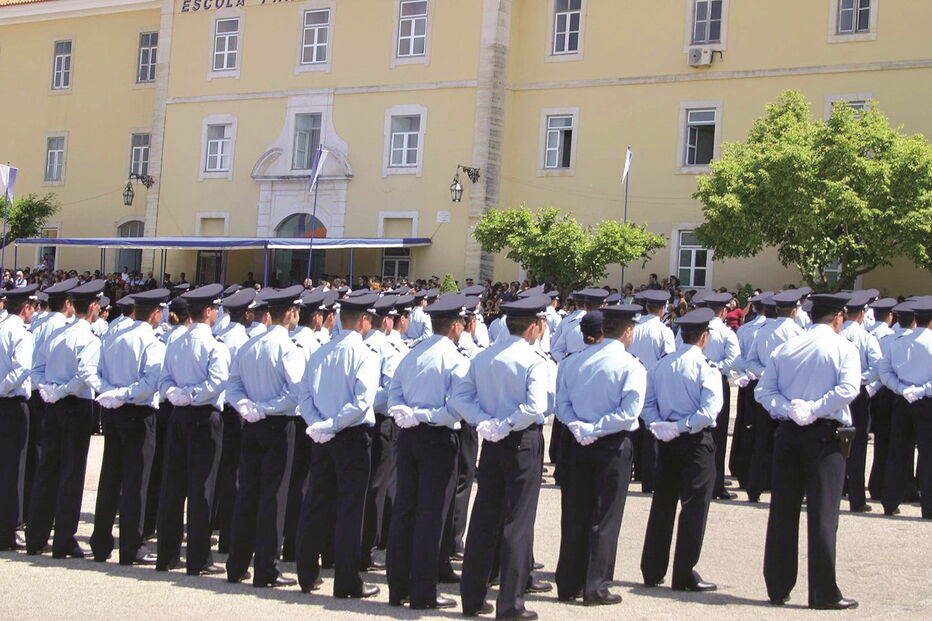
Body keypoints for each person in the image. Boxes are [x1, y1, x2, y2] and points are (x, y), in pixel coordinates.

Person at [755, 293, 861, 610]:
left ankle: (778, 586)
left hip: (789, 431)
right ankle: (823, 592)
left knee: (783, 511)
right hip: (825, 435)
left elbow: (763, 391)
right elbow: (848, 389)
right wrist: (815, 409)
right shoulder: (844, 348)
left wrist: (790, 408)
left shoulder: (786, 347)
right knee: (824, 515)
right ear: (839, 317)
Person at [452, 294, 552, 620]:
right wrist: (506, 423)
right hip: (520, 439)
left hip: (493, 440)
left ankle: (472, 597)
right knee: (517, 523)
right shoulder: (534, 360)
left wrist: (484, 421)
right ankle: (510, 603)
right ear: (535, 327)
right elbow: (537, 407)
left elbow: (459, 397)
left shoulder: (484, 357)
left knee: (484, 519)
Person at [554, 304, 645, 605]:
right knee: (605, 517)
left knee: (575, 512)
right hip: (612, 445)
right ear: (627, 331)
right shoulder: (631, 365)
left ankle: (568, 583)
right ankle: (596, 586)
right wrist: (596, 427)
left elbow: (562, 405)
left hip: (579, 441)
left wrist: (580, 426)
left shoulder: (572, 362)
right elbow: (630, 412)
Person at [385, 294, 470, 610]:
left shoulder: (411, 353)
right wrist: (426, 414)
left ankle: (399, 588)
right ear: (456, 326)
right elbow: (456, 408)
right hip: (437, 439)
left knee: (406, 511)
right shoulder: (456, 359)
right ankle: (423, 592)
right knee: (431, 516)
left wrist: (408, 412)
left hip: (409, 438)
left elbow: (394, 394)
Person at [295, 292, 381, 598]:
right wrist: (330, 425)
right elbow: (361, 401)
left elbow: (304, 397)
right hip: (351, 437)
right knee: (349, 510)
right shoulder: (366, 354)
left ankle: (306, 573)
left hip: (323, 436)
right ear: (362, 320)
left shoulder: (320, 352)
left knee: (316, 504)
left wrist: (318, 424)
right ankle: (346, 581)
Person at [225, 285, 305, 588]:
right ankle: (267, 568)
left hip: (252, 423)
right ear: (292, 313)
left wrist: (246, 406)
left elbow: (232, 386)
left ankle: (237, 564)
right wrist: (264, 407)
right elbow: (295, 392)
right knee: (274, 496)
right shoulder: (287, 348)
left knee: (247, 492)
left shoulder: (249, 346)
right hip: (277, 425)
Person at [640, 307, 723, 593]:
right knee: (694, 506)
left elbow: (647, 404)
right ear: (704, 337)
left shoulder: (662, 365)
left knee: (663, 503)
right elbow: (710, 411)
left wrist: (659, 424)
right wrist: (681, 426)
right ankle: (684, 572)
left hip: (667, 439)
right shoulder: (705, 366)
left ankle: (652, 569)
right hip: (694, 440)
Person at [89, 288, 168, 565]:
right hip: (137, 413)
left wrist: (112, 393)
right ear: (155, 313)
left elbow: (97, 373)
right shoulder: (153, 342)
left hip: (114, 411)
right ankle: (131, 547)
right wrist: (123, 394)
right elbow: (150, 384)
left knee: (110, 478)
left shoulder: (114, 337)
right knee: (136, 482)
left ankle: (100, 542)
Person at [27, 279, 105, 558]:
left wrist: (49, 390)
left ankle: (36, 536)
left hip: (53, 405)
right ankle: (63, 539)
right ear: (93, 307)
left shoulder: (56, 335)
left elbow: (35, 370)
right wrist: (61, 390)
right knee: (71, 473)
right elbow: (85, 375)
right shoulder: (89, 338)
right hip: (74, 406)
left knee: (48, 470)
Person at [156, 284, 230, 575]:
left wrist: (176, 394)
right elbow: (217, 383)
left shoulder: (175, 342)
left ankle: (167, 554)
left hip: (179, 416)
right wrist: (193, 395)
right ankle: (198, 558)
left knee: (173, 487)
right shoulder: (214, 345)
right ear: (209, 312)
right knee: (202, 489)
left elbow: (163, 380)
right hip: (203, 417)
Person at [743, 289, 805, 502]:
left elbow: (750, 362)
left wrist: (766, 373)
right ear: (794, 312)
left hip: (765, 391)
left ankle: (755, 487)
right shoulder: (799, 334)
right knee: (789, 442)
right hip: (789, 392)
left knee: (762, 440)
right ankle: (783, 487)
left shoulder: (762, 331)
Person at [360, 295, 407, 573]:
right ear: (387, 321)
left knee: (366, 484)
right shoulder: (387, 348)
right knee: (380, 484)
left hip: (360, 422)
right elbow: (389, 392)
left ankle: (364, 542)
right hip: (380, 421)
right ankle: (371, 545)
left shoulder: (361, 344)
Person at [679, 291, 740, 500]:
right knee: (718, 435)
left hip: (688, 380)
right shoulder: (726, 332)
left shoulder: (689, 328)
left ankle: (688, 478)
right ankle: (715, 484)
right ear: (723, 311)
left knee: (690, 429)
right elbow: (734, 359)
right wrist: (715, 367)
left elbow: (679, 349)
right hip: (717, 381)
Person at [213, 287, 257, 554]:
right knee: (237, 475)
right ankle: (230, 535)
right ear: (248, 314)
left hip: (223, 408)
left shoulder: (222, 335)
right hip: (238, 409)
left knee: (225, 471)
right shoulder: (243, 340)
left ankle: (222, 528)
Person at [879, 298, 931, 518]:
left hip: (902, 401)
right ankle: (928, 506)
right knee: (928, 455)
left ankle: (890, 501)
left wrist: (901, 388)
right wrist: (922, 390)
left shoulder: (898, 342)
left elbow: (884, 372)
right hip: (926, 401)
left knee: (898, 451)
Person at [0, 285, 38, 551]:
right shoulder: (21, 334)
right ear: (26, 308)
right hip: (12, 403)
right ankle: (8, 529)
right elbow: (22, 369)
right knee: (14, 469)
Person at [838, 291, 882, 513]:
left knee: (832, 443)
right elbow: (877, 367)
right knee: (858, 447)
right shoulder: (866, 337)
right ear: (862, 314)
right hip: (858, 393)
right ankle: (857, 498)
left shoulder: (836, 335)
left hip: (835, 394)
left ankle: (833, 492)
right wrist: (860, 379)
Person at [629, 289, 676, 494]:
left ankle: (634, 470)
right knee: (651, 432)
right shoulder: (664, 330)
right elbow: (669, 359)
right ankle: (649, 477)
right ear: (662, 308)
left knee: (632, 428)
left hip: (632, 380)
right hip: (654, 382)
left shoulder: (633, 328)